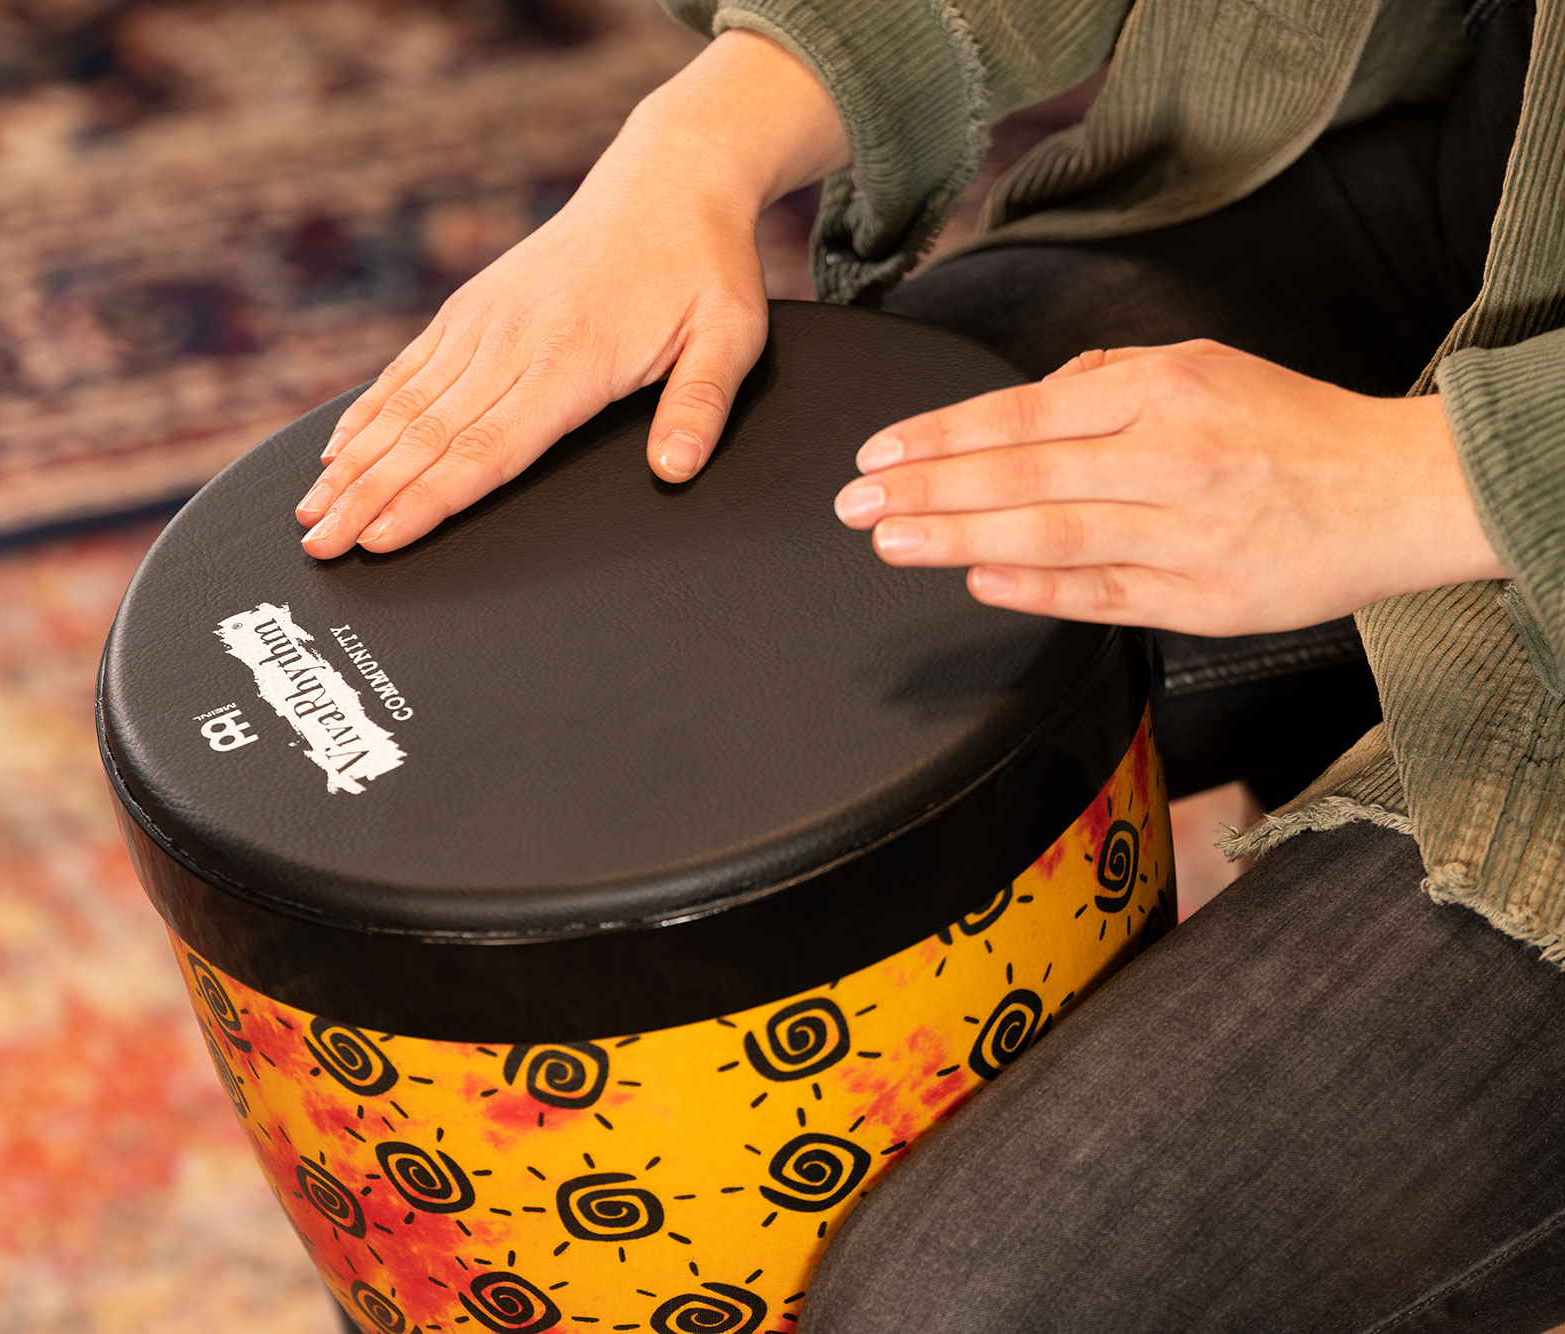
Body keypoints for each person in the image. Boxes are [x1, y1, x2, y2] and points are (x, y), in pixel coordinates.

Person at [299, 0, 1565, 1327]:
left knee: (948, 1305)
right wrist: (690, 148)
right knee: (479, 847)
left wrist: (1424, 483)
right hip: (1454, 168)